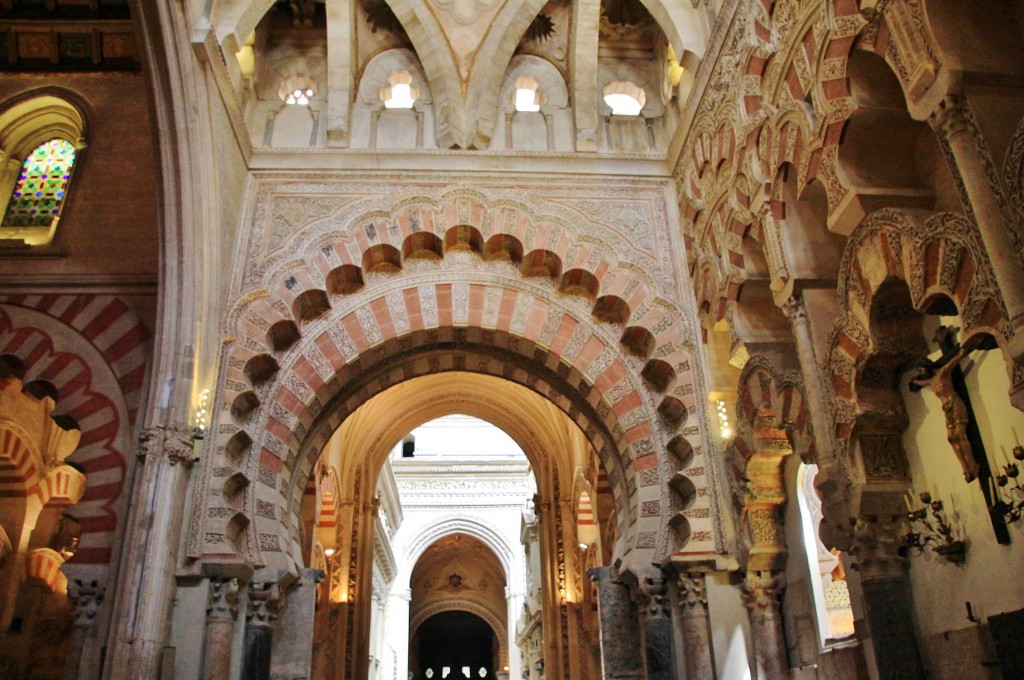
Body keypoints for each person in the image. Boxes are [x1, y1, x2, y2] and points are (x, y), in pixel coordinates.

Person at [909, 335, 980, 482]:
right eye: (920, 371)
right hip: (946, 409)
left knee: (960, 435)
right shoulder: (930, 381)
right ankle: (965, 468)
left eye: (922, 370)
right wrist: (913, 381)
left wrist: (966, 349)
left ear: (928, 367)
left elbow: (956, 359)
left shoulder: (943, 372)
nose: (921, 373)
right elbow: (918, 383)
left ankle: (973, 465)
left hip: (955, 403)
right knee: (951, 438)